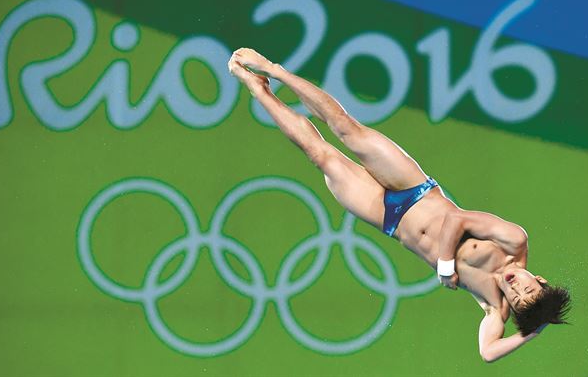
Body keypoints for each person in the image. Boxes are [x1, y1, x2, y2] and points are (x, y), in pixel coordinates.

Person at [227, 48, 570, 362]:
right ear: (538, 278)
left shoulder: (495, 307)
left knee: (321, 157)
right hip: (415, 188)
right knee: (346, 129)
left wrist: (531, 332)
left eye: (517, 299)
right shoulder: (514, 240)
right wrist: (446, 265)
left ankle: (259, 89)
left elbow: (488, 353)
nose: (515, 288)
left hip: (387, 218)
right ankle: (274, 70)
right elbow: (458, 221)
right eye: (526, 287)